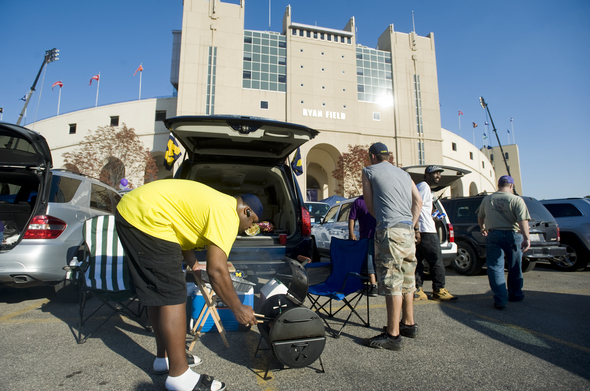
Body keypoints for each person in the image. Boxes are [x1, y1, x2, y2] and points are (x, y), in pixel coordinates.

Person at [115, 179, 260, 391]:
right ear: (246, 211)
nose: (249, 228)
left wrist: (194, 265)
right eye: (252, 223)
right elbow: (217, 270)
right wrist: (238, 308)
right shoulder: (227, 214)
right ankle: (179, 376)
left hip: (135, 211)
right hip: (148, 217)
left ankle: (164, 359)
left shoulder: (220, 205)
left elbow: (182, 230)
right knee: (173, 294)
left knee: (160, 294)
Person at [361, 142, 423, 350]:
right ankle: (408, 324)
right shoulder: (404, 174)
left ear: (372, 156)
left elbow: (369, 205)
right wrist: (411, 224)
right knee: (407, 278)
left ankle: (393, 335)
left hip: (390, 230)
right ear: (388, 156)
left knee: (392, 281)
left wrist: (386, 223)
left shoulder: (369, 171)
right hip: (407, 231)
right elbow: (419, 201)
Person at [477, 175, 531, 310]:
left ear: (498, 185)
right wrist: (526, 238)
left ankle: (500, 300)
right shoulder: (516, 200)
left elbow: (480, 216)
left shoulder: (487, 199)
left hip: (494, 235)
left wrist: (482, 227)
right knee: (514, 266)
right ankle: (515, 294)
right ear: (511, 186)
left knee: (495, 267)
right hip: (513, 235)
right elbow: (523, 221)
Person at [414, 166, 457, 301]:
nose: (438, 176)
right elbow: (416, 204)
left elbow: (422, 208)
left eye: (439, 173)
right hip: (426, 231)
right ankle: (439, 290)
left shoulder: (425, 188)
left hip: (424, 229)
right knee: (436, 261)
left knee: (418, 261)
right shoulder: (424, 186)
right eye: (434, 173)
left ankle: (418, 289)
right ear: (427, 175)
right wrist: (416, 228)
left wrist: (434, 216)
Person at [348, 195, 378, 297]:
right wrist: (351, 233)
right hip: (367, 237)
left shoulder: (379, 198)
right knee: (370, 260)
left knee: (383, 260)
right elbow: (352, 218)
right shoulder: (358, 202)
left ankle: (384, 284)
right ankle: (373, 284)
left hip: (382, 235)